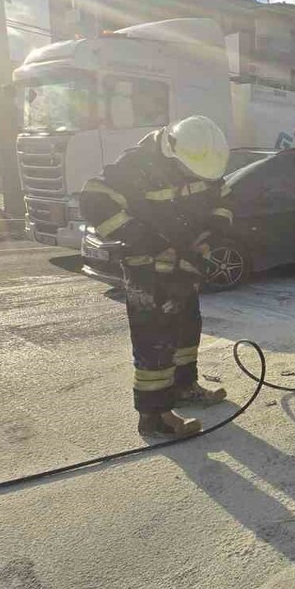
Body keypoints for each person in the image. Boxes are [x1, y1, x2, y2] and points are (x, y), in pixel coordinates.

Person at [77, 115, 232, 437]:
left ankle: (185, 388)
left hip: (184, 264)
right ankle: (154, 415)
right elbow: (94, 200)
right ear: (173, 152)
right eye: (189, 171)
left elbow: (223, 197)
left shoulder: (202, 159)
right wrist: (146, 240)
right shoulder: (136, 166)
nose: (193, 176)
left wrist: (213, 232)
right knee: (154, 340)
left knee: (187, 328)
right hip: (147, 268)